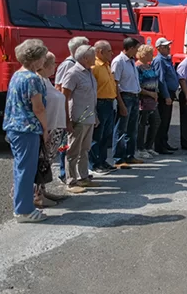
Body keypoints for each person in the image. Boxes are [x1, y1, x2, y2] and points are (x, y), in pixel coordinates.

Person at [4, 39, 50, 223]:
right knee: (26, 170)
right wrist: (45, 128)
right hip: (27, 129)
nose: (44, 61)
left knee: (20, 168)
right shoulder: (32, 78)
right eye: (43, 57)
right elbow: (38, 108)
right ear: (36, 59)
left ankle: (21, 205)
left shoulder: (17, 75)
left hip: (15, 127)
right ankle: (24, 210)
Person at [61, 45, 100, 191]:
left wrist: (95, 115)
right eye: (92, 56)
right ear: (85, 58)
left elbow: (91, 97)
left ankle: (83, 178)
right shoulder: (73, 73)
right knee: (73, 151)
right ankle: (71, 181)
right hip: (77, 118)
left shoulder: (89, 72)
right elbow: (64, 97)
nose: (95, 58)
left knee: (85, 149)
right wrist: (67, 120)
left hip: (89, 117)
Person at [36, 52, 71, 205]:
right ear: (45, 65)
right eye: (53, 64)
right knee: (40, 162)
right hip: (48, 127)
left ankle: (42, 191)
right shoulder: (38, 81)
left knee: (47, 161)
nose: (55, 67)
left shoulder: (46, 80)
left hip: (54, 126)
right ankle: (37, 195)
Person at [54, 36, 90, 181]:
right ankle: (65, 174)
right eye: (87, 47)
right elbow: (60, 88)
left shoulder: (82, 66)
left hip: (82, 111)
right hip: (69, 111)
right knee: (68, 144)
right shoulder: (68, 65)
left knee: (79, 146)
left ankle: (79, 174)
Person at [90, 41, 120, 175]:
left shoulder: (107, 65)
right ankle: (95, 163)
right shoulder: (94, 67)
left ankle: (103, 161)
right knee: (97, 135)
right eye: (109, 51)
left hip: (109, 103)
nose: (111, 53)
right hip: (100, 103)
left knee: (106, 135)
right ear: (100, 52)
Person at [111, 37, 142, 167]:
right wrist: (120, 103)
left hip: (134, 96)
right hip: (125, 97)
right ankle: (118, 158)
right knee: (121, 129)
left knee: (132, 129)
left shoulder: (131, 61)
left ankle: (130, 155)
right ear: (130, 48)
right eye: (136, 48)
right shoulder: (119, 62)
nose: (137, 51)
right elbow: (115, 84)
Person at [151, 38, 179, 154]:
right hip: (164, 95)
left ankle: (164, 142)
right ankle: (159, 145)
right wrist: (166, 96)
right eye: (166, 46)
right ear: (159, 48)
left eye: (168, 46)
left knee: (166, 120)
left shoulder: (167, 60)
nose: (168, 48)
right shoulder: (159, 60)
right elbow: (161, 80)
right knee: (162, 120)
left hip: (170, 93)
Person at [136, 44, 161, 159]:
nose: (152, 55)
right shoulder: (138, 67)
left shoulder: (149, 66)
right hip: (143, 99)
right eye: (150, 53)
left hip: (152, 98)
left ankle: (149, 146)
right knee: (141, 124)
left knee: (156, 121)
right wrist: (150, 93)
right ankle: (140, 148)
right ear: (143, 54)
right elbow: (137, 85)